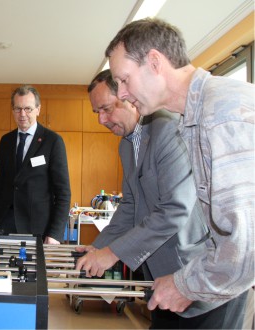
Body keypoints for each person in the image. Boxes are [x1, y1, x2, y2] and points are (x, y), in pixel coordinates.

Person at [105, 17, 254, 327]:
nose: (120, 94)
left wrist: (185, 284)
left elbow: (245, 244)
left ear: (155, 62)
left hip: (221, 295)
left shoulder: (220, 115)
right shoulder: (192, 118)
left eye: (124, 79)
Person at [76, 69, 219, 328]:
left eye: (106, 109)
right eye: (97, 112)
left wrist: (112, 252)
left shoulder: (167, 128)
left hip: (199, 277)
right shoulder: (126, 144)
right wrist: (99, 247)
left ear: (127, 96)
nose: (101, 120)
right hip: (162, 279)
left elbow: (174, 210)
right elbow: (130, 205)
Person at [0, 85, 71, 244]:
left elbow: (63, 193)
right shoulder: (6, 141)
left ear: (38, 109)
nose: (22, 114)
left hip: (38, 228)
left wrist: (55, 233)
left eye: (28, 109)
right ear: (12, 110)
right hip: (3, 224)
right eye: (18, 109)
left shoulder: (52, 141)